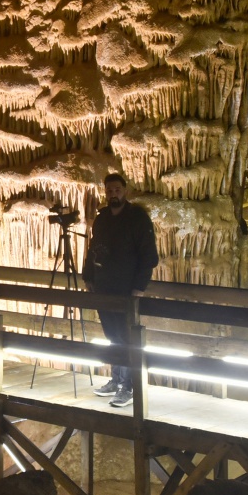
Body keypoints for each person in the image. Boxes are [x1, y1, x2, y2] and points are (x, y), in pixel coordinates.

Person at [82, 173, 158, 409]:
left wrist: (139, 287)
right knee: (111, 335)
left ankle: (130, 385)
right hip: (104, 287)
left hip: (126, 289)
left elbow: (149, 256)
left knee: (126, 337)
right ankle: (117, 379)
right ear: (105, 192)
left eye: (117, 189)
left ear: (125, 191)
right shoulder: (102, 218)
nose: (113, 194)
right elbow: (94, 249)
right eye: (109, 190)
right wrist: (88, 276)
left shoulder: (137, 219)